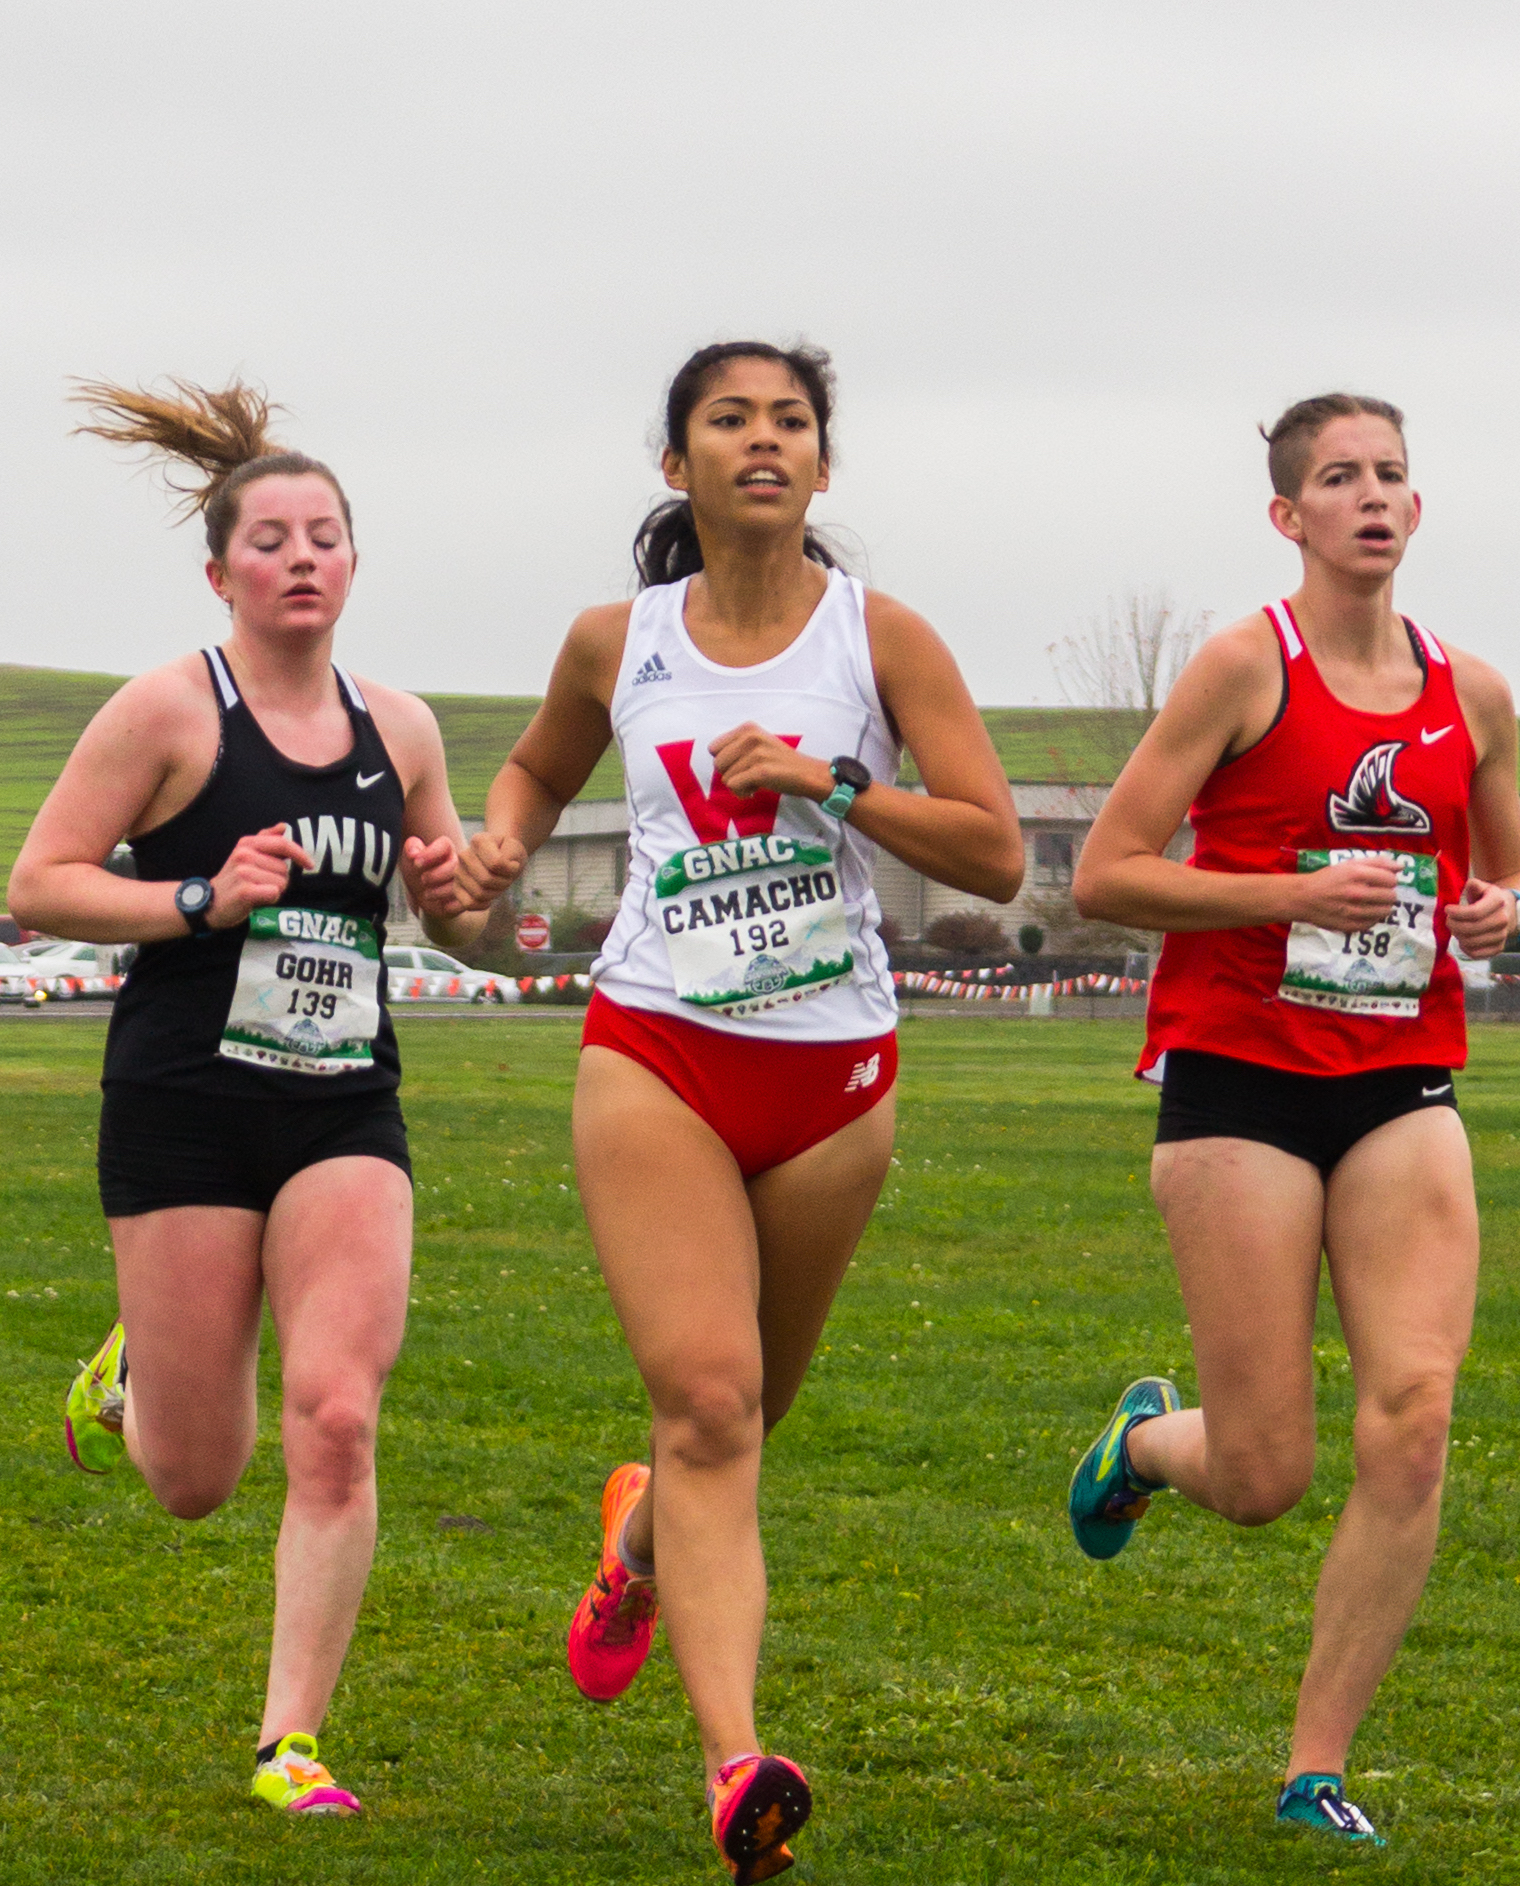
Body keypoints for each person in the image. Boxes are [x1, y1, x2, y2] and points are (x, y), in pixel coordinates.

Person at [451, 341, 1023, 1882]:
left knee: (748, 1414)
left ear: (823, 469)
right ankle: (735, 1759)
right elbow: (531, 767)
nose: (762, 440)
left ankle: (635, 1542)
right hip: (660, 1051)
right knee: (709, 1401)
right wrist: (500, 844)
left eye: (791, 422)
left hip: (833, 1077)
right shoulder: (612, 640)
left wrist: (834, 783)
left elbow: (994, 854)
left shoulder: (880, 636)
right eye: (729, 419)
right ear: (677, 464)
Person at [8, 377, 489, 1818]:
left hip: (346, 1103)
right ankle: (141, 1374)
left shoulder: (398, 728)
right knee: (196, 1479)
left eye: (324, 535)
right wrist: (201, 892)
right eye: (269, 538)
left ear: (353, 562)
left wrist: (473, 900)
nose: (299, 557)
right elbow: (40, 885)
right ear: (220, 570)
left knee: (337, 1417)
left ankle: (292, 1737)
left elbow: (459, 918)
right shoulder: (169, 709)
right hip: (186, 1101)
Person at [1068, 394, 1520, 1845]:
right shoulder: (1240, 667)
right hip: (1242, 1079)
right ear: (1291, 516)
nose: (1374, 497)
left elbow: (1513, 882)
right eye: (1341, 478)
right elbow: (1104, 872)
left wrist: (1500, 908)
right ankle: (1146, 1445)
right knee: (1266, 1472)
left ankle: (1313, 1767)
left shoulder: (1477, 691)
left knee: (1415, 1417)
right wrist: (1288, 894)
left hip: (1401, 1079)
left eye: (1393, 474)